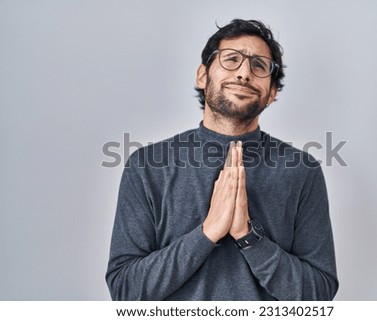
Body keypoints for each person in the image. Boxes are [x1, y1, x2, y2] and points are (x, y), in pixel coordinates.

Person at [106, 19, 338, 300]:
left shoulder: (303, 171)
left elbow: (320, 294)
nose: (244, 73)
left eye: (259, 66)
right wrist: (207, 233)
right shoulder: (146, 166)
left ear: (272, 92)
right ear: (202, 76)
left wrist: (249, 237)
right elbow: (124, 290)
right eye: (231, 59)